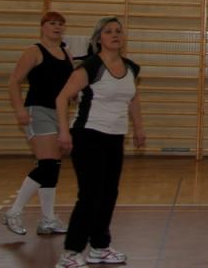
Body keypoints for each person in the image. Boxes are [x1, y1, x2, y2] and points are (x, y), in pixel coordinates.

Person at [54, 17, 146, 268]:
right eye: (108, 31)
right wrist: (64, 132)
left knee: (108, 194)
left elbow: (133, 99)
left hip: (115, 137)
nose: (115, 35)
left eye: (118, 31)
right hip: (88, 135)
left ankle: (99, 247)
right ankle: (70, 253)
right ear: (98, 38)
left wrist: (139, 128)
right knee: (90, 196)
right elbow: (62, 98)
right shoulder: (91, 66)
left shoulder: (131, 68)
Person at [2, 11, 74, 237]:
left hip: (59, 113)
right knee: (47, 165)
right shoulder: (34, 51)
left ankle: (48, 219)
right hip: (38, 110)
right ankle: (13, 212)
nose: (57, 27)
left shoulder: (66, 53)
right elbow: (14, 81)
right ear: (43, 27)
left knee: (53, 167)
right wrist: (19, 109)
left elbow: (69, 85)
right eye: (52, 23)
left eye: (60, 24)